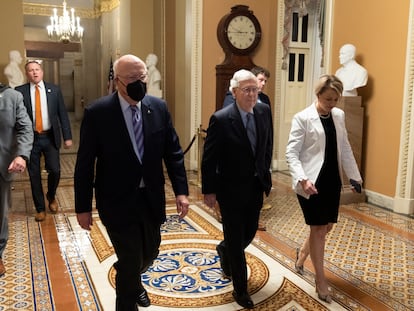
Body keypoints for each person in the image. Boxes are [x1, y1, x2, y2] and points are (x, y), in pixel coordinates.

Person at [74, 54, 190, 311]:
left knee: (148, 254)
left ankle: (133, 279)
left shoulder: (158, 107)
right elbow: (85, 163)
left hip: (150, 199)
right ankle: (128, 295)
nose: (139, 82)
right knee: (129, 260)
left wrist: (181, 192)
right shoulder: (98, 113)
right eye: (132, 78)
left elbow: (173, 153)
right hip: (115, 200)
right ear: (117, 81)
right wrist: (82, 207)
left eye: (142, 77)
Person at [285, 74, 362, 304]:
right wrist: (302, 179)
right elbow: (291, 153)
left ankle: (301, 258)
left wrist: (355, 176)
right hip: (311, 182)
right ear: (318, 94)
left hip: (331, 181)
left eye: (335, 99)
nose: (331, 104)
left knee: (325, 227)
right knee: (318, 229)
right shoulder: (303, 118)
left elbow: (345, 147)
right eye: (328, 99)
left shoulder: (338, 115)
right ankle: (320, 280)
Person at [202, 69, 273, 309]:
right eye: (247, 90)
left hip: (255, 185)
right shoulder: (221, 119)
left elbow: (267, 145)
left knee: (250, 231)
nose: (253, 94)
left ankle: (225, 250)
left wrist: (266, 174)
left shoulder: (264, 111)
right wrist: (209, 190)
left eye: (255, 89)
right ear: (234, 92)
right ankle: (240, 290)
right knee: (234, 237)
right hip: (230, 188)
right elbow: (209, 158)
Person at [15, 60, 73, 222]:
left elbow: (62, 114)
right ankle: (40, 209)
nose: (35, 72)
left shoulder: (54, 90)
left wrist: (67, 137)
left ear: (42, 72)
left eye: (37, 69)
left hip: (49, 137)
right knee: (34, 175)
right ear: (27, 74)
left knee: (55, 170)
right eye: (31, 70)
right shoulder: (19, 92)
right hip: (30, 139)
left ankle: (51, 195)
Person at [222, 66, 273, 230]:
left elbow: (268, 137)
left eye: (265, 81)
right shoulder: (231, 101)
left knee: (249, 228)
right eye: (260, 80)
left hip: (257, 172)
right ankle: (229, 251)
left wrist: (265, 166)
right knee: (235, 231)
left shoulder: (264, 102)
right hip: (235, 175)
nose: (262, 84)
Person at [0, 84, 33, 277]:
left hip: (1, 165)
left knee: (0, 213)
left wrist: (21, 155)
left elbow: (25, 128)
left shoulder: (12, 96)